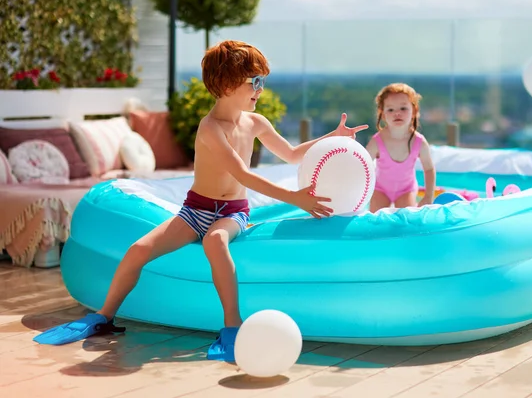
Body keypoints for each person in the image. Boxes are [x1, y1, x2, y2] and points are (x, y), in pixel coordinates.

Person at [32, 40, 369, 362]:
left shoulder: (255, 123)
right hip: (196, 210)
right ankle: (103, 317)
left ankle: (232, 325)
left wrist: (332, 137)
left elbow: (293, 154)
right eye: (254, 81)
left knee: (216, 241)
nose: (260, 89)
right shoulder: (211, 128)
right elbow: (243, 174)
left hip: (233, 212)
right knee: (138, 250)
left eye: (262, 81)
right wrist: (294, 198)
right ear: (226, 84)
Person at [365, 83, 436, 211]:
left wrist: (428, 196)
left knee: (406, 220)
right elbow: (362, 165)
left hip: (406, 190)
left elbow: (429, 169)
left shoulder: (418, 142)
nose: (397, 113)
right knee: (375, 219)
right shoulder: (377, 141)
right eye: (390, 110)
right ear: (382, 114)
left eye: (403, 108)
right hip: (380, 188)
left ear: (414, 111)